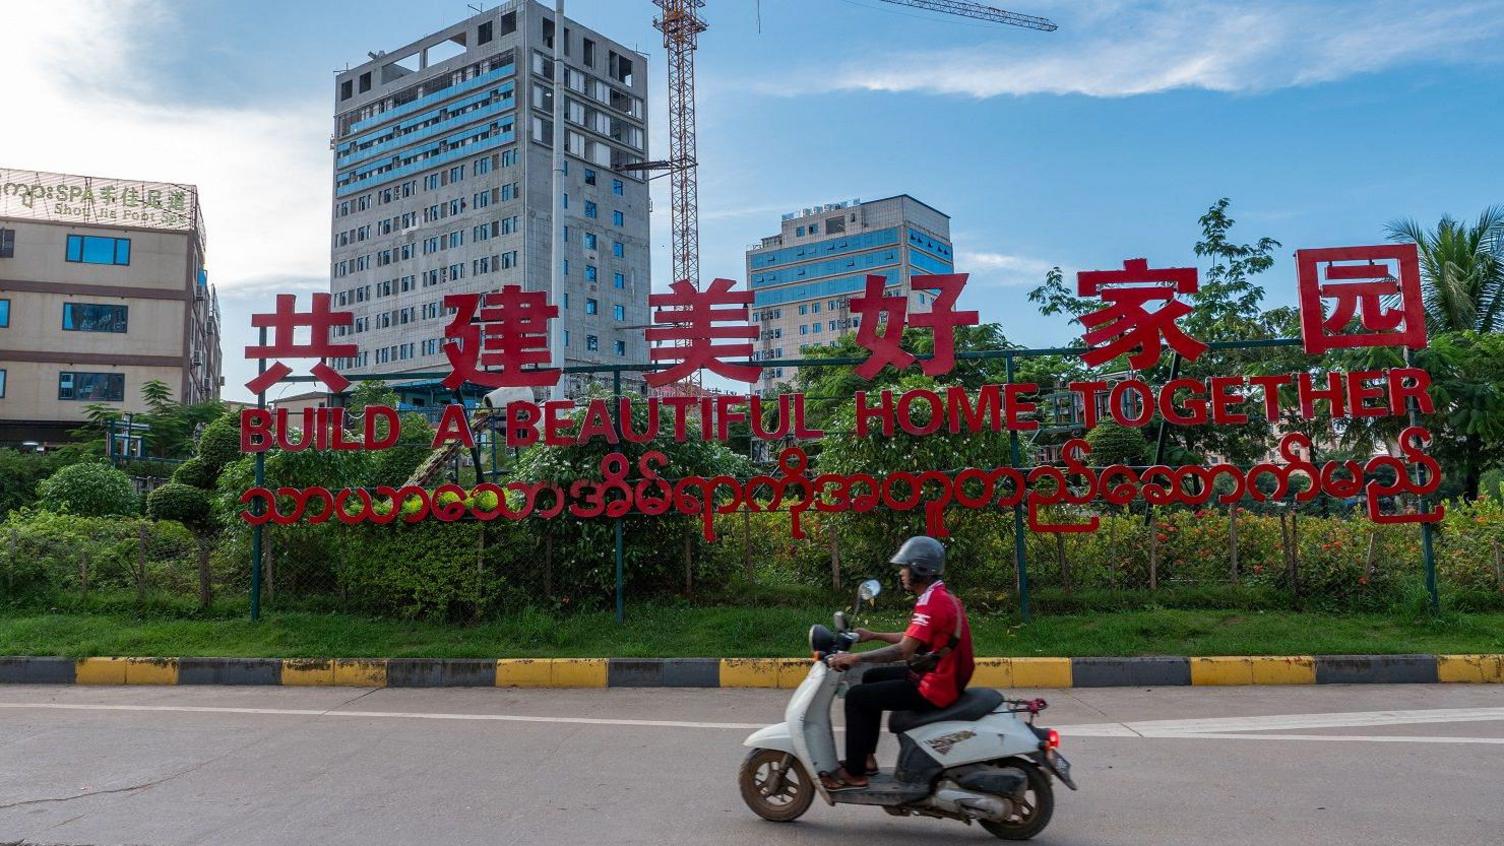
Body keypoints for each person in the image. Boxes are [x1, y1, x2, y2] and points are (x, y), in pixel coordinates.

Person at [820, 535, 974, 790]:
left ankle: (854, 773)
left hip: (935, 686)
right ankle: (866, 758)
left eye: (905, 567)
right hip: (940, 676)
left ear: (920, 569)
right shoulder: (941, 596)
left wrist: (855, 658)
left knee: (857, 697)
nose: (901, 573)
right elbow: (914, 638)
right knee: (870, 678)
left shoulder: (931, 603)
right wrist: (875, 635)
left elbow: (904, 650)